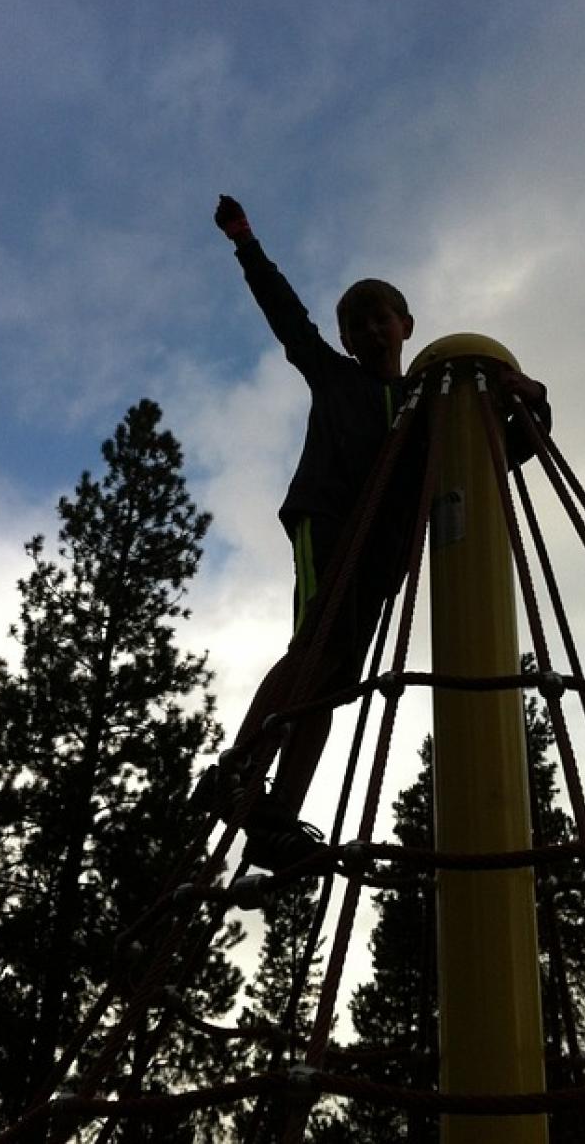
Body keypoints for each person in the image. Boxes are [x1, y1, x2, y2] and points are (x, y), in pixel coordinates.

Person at [199, 195, 550, 872]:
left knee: (334, 681)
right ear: (347, 340)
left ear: (405, 326)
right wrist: (245, 242)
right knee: (318, 647)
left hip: (385, 553)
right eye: (355, 324)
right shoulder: (336, 378)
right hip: (331, 521)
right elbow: (287, 316)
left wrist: (534, 399)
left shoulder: (431, 413)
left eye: (379, 317)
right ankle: (238, 768)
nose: (368, 330)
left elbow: (501, 452)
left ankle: (277, 817)